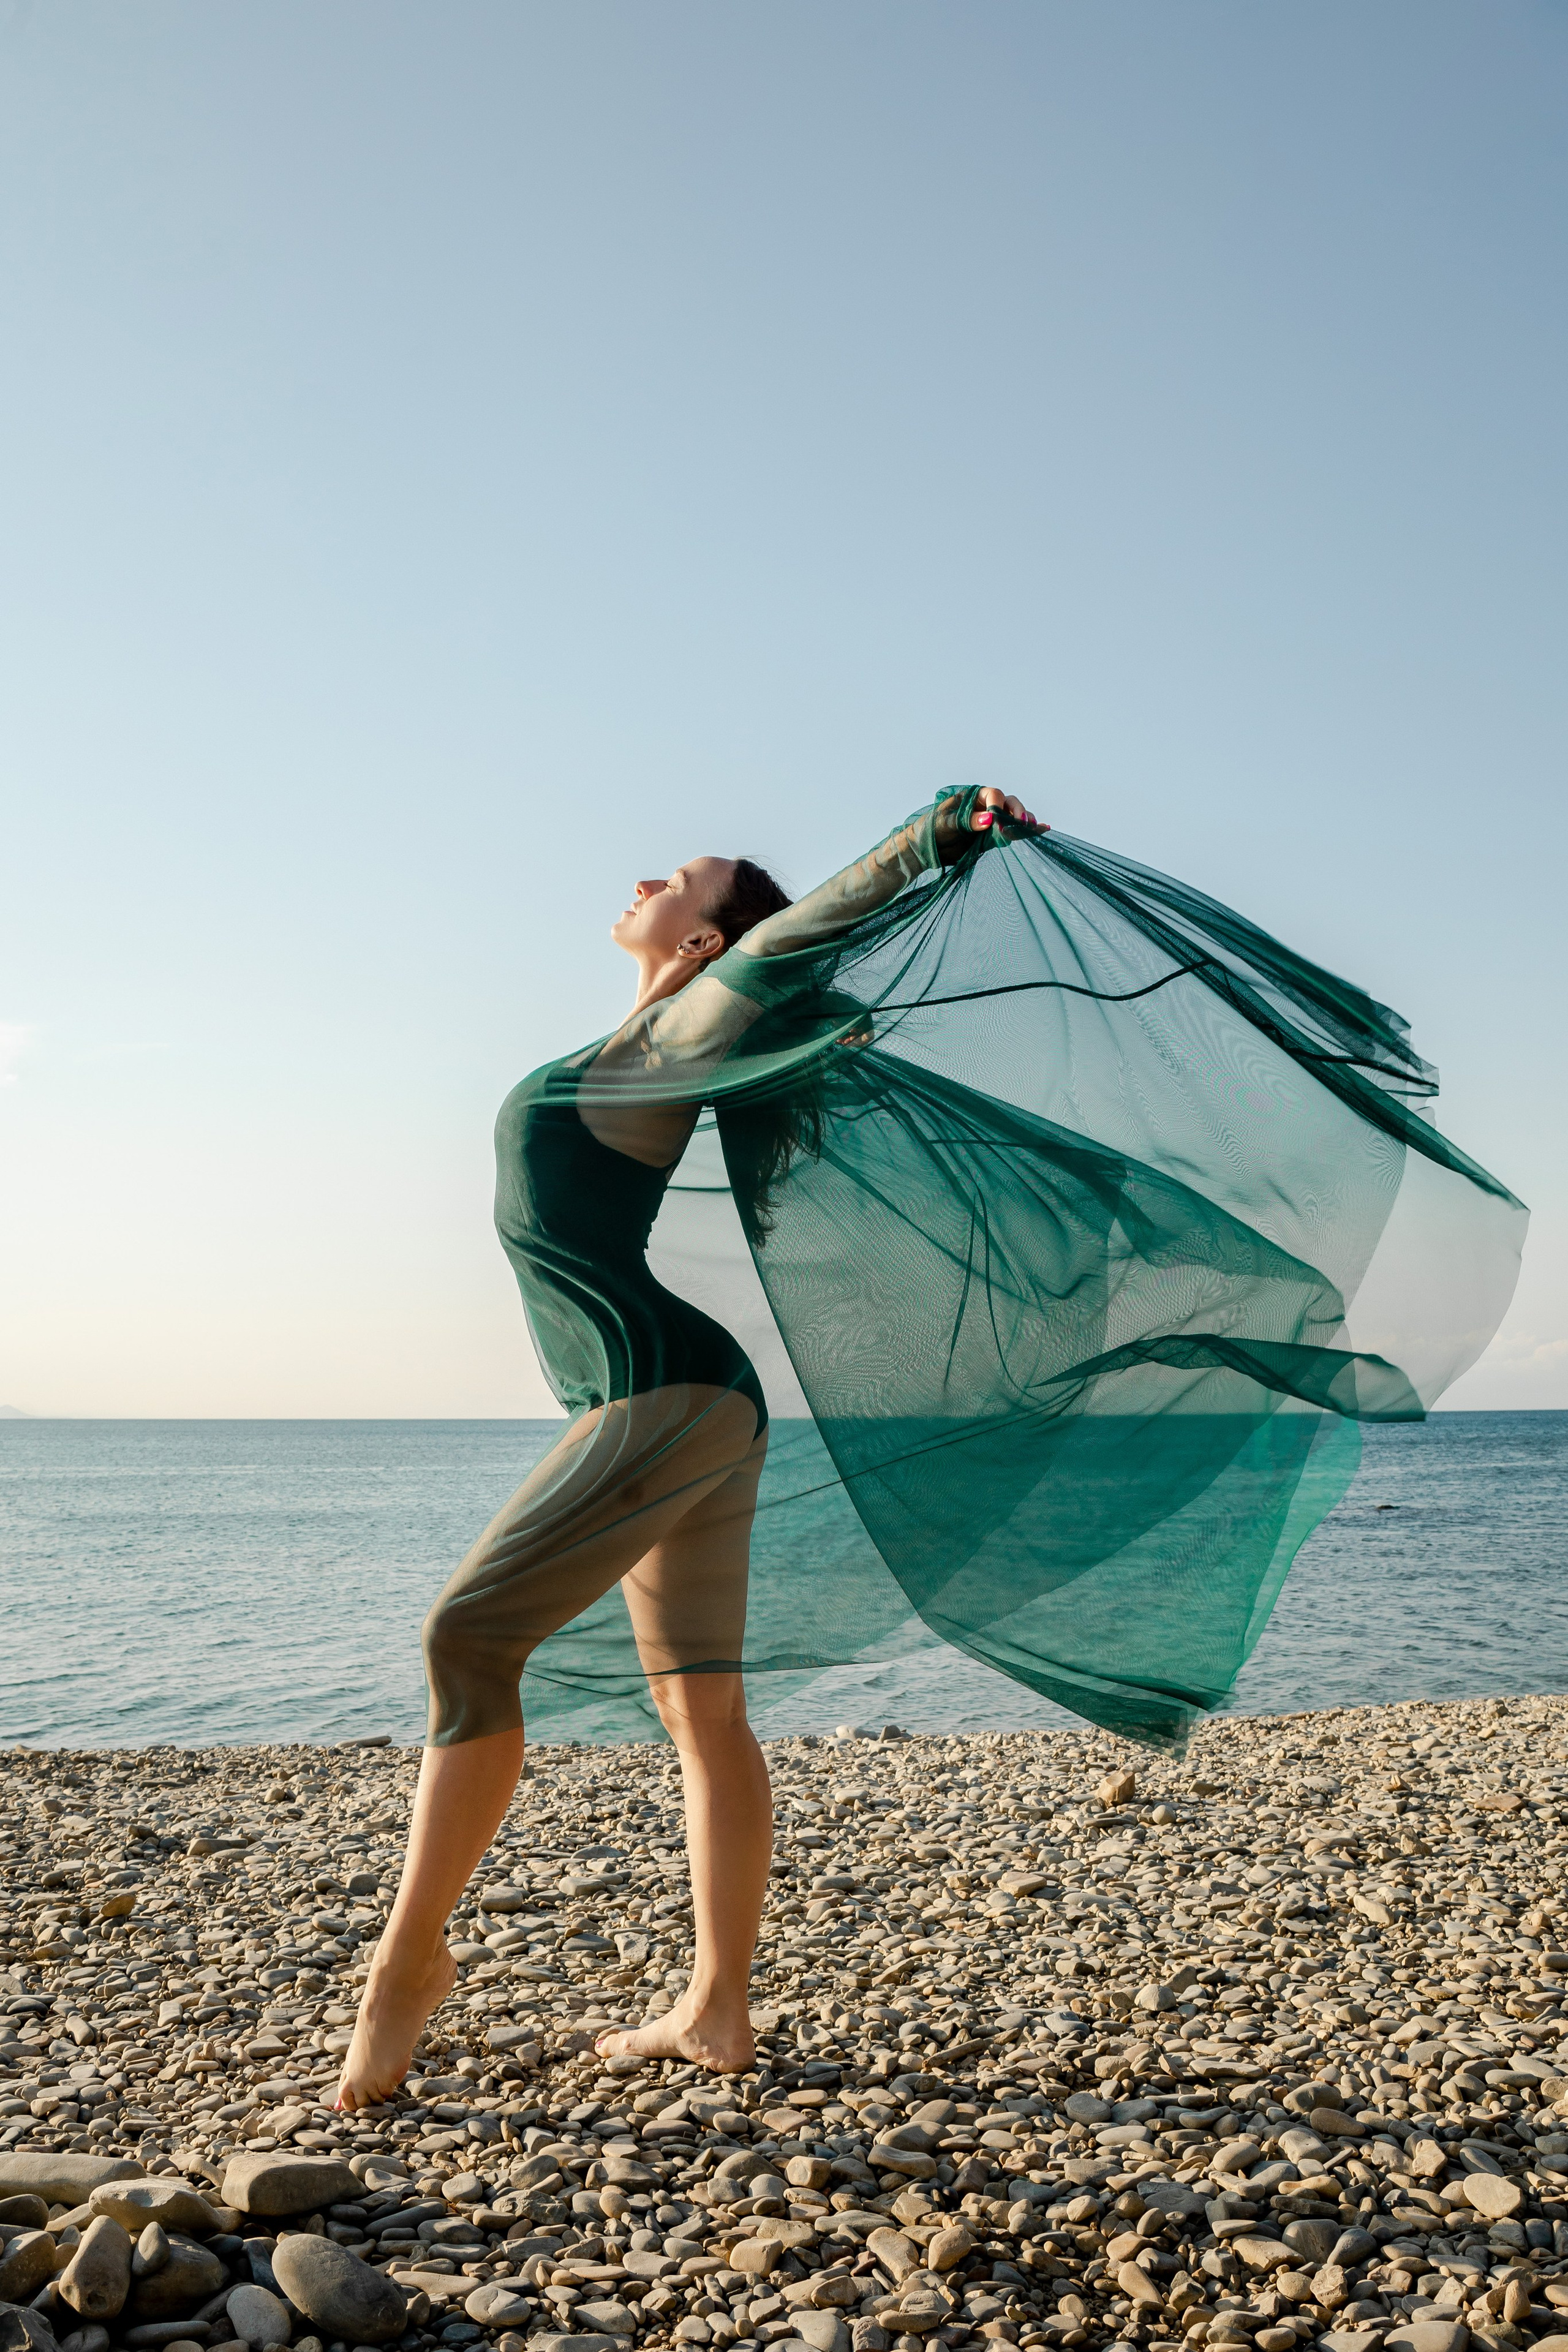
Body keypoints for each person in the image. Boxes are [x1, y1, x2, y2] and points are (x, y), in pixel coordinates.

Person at [335, 785, 1039, 2111]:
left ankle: (407, 1964)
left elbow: (798, 935)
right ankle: (716, 2011)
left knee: (466, 1643)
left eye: (683, 876)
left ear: (706, 942)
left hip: (657, 1395)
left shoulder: (681, 1032)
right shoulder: (641, 1044)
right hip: (689, 1399)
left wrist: (932, 834)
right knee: (700, 1711)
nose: (647, 873)